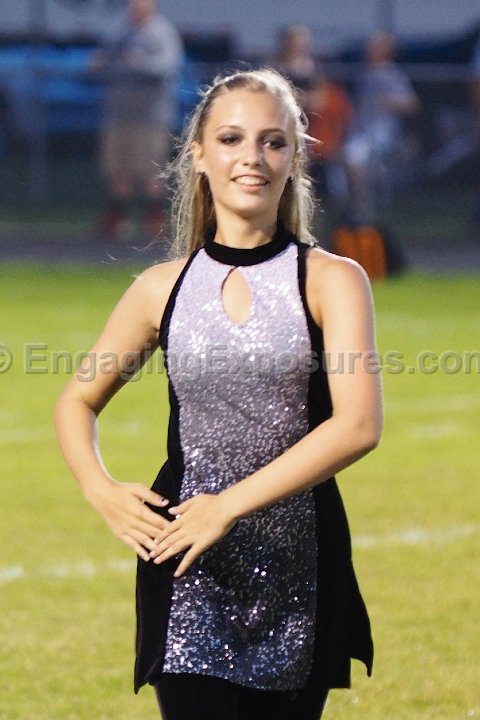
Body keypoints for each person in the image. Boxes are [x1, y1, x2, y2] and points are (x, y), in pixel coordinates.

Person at [55, 68, 383, 720]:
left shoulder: (331, 280)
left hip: (297, 567)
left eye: (272, 141)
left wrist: (226, 507)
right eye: (231, 139)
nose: (251, 157)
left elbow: (357, 426)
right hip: (186, 566)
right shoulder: (160, 288)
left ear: (295, 158)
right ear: (199, 155)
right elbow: (76, 401)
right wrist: (101, 489)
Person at [92, 0, 184, 240]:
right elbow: (105, 59)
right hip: (119, 114)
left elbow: (168, 66)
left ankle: (155, 220)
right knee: (118, 169)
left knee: (150, 170)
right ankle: (117, 220)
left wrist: (139, 63)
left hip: (150, 117)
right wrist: (101, 62)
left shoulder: (162, 32)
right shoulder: (119, 30)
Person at [344, 32, 419, 222]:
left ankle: (366, 212)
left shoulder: (393, 75)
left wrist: (393, 101)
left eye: (375, 46)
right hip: (361, 130)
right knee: (351, 159)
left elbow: (412, 103)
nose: (369, 50)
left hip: (383, 132)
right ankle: (359, 210)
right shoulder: (363, 73)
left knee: (361, 159)